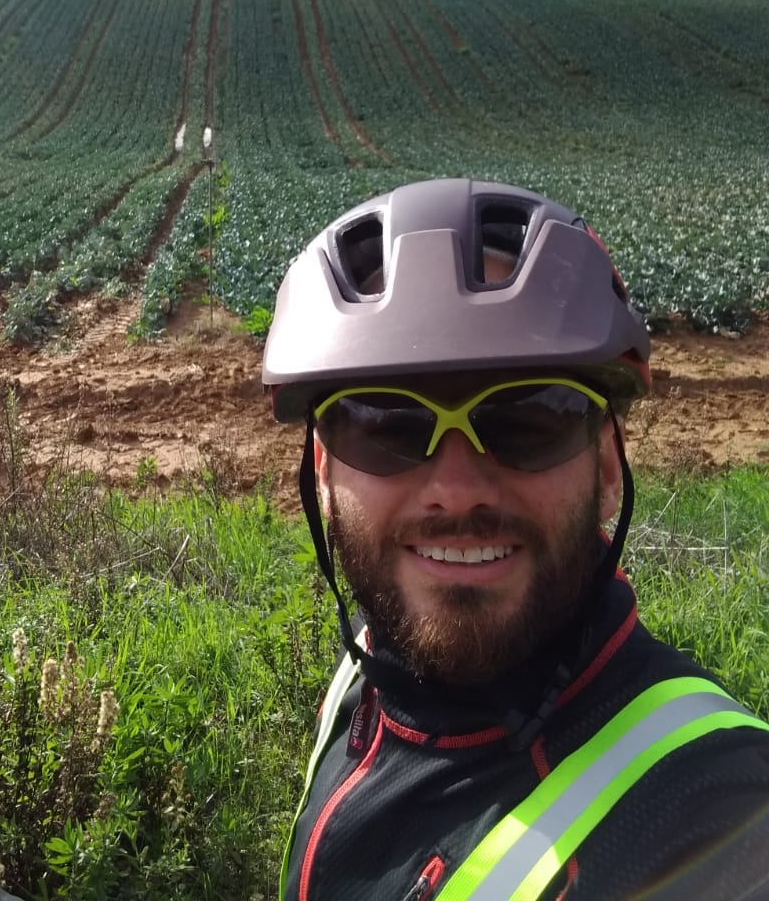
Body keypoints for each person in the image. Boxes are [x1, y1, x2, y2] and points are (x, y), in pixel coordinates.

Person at [262, 177, 769, 901]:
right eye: (385, 425)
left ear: (603, 463)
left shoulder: (715, 809)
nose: (458, 489)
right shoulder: (368, 673)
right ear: (321, 469)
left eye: (528, 419)